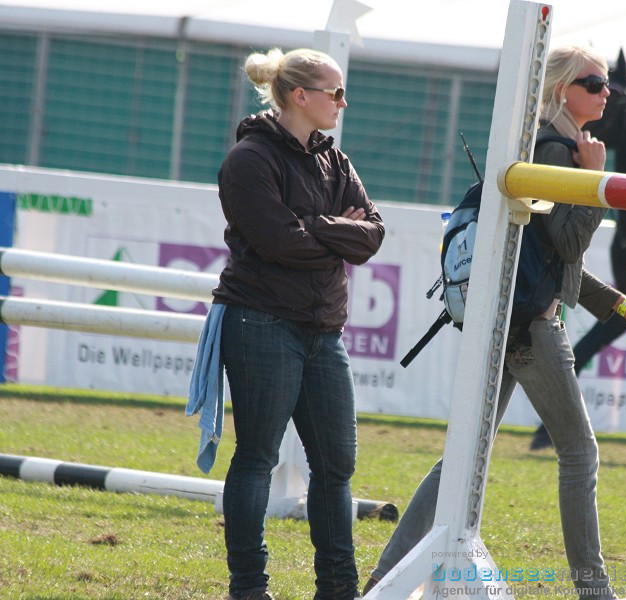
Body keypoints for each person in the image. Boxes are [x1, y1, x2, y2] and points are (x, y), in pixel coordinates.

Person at [362, 45, 626, 600]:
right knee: (579, 452)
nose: (606, 93)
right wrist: (596, 182)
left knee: (463, 456)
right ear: (561, 91)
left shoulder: (541, 147)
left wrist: (621, 305)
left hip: (503, 320)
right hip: (532, 330)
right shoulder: (559, 153)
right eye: (595, 84)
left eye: (606, 86)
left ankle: (383, 579)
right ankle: (594, 591)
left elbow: (550, 262)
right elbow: (571, 242)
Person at [214, 48, 385, 600]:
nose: (344, 101)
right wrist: (333, 232)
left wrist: (313, 227)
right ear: (300, 96)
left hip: (323, 330)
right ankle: (249, 589)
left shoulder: (336, 159)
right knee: (257, 457)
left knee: (337, 465)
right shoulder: (250, 159)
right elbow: (276, 242)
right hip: (260, 322)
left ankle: (338, 590)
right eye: (335, 92)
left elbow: (373, 235)